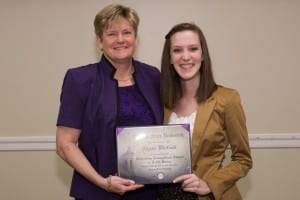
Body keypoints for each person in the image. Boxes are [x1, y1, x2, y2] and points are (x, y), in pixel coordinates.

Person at [55, 4, 163, 200]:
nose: (120, 40)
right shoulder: (79, 80)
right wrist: (102, 182)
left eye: (127, 32)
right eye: (112, 34)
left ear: (135, 38)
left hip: (148, 192)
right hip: (97, 191)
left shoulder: (153, 76)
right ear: (99, 41)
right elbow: (65, 144)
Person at [159, 22, 253, 200]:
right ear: (170, 58)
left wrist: (209, 184)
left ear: (203, 55)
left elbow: (243, 160)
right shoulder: (161, 102)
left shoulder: (227, 99)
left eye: (193, 49)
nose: (186, 57)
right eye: (177, 50)